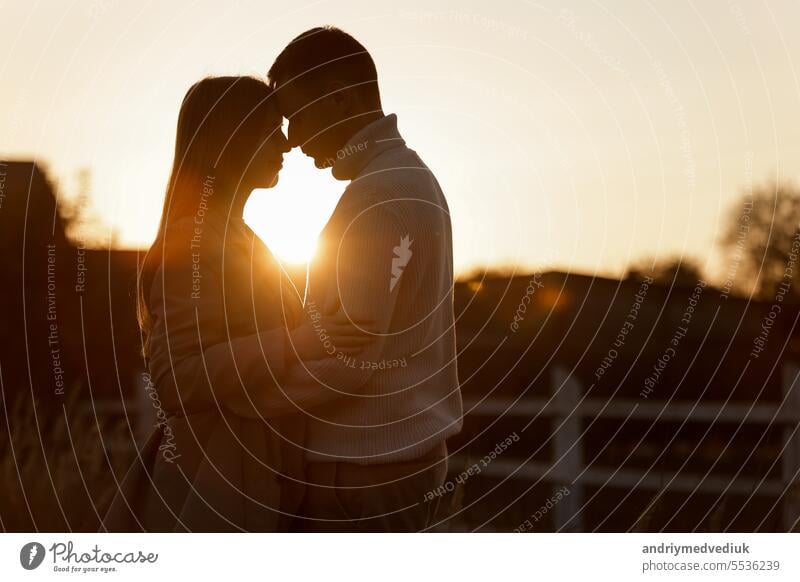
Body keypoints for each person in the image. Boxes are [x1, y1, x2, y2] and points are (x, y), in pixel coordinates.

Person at [201, 27, 464, 532]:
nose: (293, 140)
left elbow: (346, 363)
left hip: (362, 476)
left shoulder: (381, 194)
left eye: (295, 116)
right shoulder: (407, 177)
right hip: (391, 466)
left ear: (340, 98)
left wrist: (238, 402)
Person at [103, 76, 370, 532]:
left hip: (252, 473)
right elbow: (176, 380)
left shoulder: (240, 237)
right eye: (270, 128)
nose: (287, 142)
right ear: (230, 137)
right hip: (213, 483)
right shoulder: (192, 241)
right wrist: (295, 342)